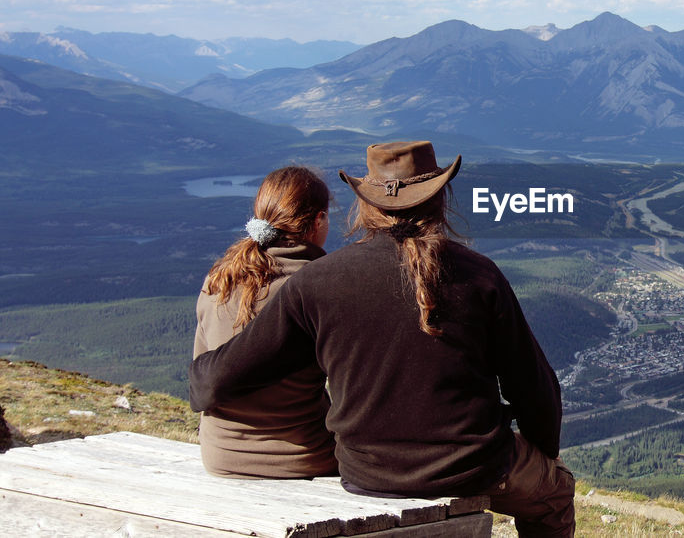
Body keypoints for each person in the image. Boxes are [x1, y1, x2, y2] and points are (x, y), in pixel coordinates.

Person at [190, 141, 574, 537]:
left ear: (367, 203)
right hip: (472, 464)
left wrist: (202, 374)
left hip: (366, 471)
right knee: (556, 493)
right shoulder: (479, 275)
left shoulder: (317, 282)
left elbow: (227, 373)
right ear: (438, 200)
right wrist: (544, 451)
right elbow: (535, 388)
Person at [193, 165, 337, 479]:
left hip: (219, 455)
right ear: (318, 221)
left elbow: (203, 367)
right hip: (304, 455)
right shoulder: (322, 284)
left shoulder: (220, 277)